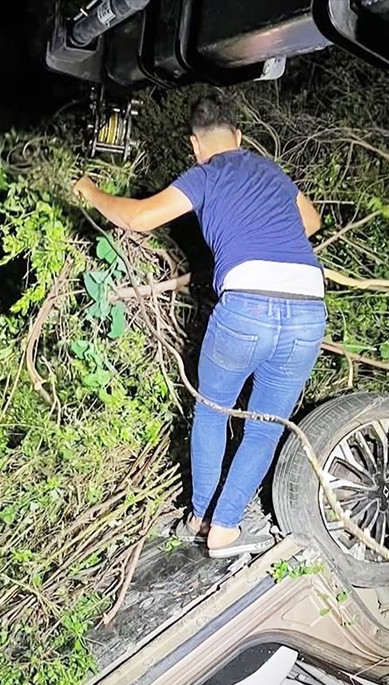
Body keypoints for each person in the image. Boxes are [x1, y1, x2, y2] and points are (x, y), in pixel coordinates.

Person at [73, 94, 326, 558]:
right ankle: (226, 522)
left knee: (212, 411)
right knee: (266, 427)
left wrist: (88, 190)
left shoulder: (204, 175)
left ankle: (209, 520)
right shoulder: (271, 172)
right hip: (308, 306)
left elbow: (139, 218)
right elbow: (310, 222)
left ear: (194, 145)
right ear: (239, 137)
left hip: (246, 307)